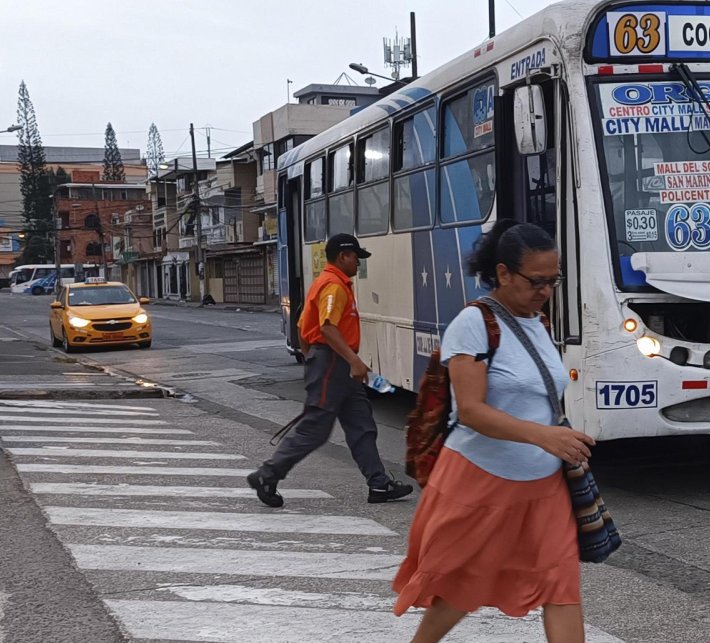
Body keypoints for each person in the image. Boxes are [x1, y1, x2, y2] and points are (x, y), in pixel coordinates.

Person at [393, 220, 595, 643]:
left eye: (552, 281)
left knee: (561, 584)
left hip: (543, 486)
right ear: (503, 273)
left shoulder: (539, 323)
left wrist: (556, 438)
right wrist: (545, 436)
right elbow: (471, 412)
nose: (545, 291)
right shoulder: (473, 322)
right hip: (480, 481)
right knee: (462, 584)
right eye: (536, 281)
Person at [247, 233, 412, 507]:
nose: (358, 262)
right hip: (334, 363)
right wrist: (345, 361)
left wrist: (313, 356)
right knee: (315, 429)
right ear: (343, 256)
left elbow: (302, 327)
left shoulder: (329, 283)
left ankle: (379, 484)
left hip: (335, 363)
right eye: (355, 257)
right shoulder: (334, 285)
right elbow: (326, 326)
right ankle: (267, 474)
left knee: (362, 425)